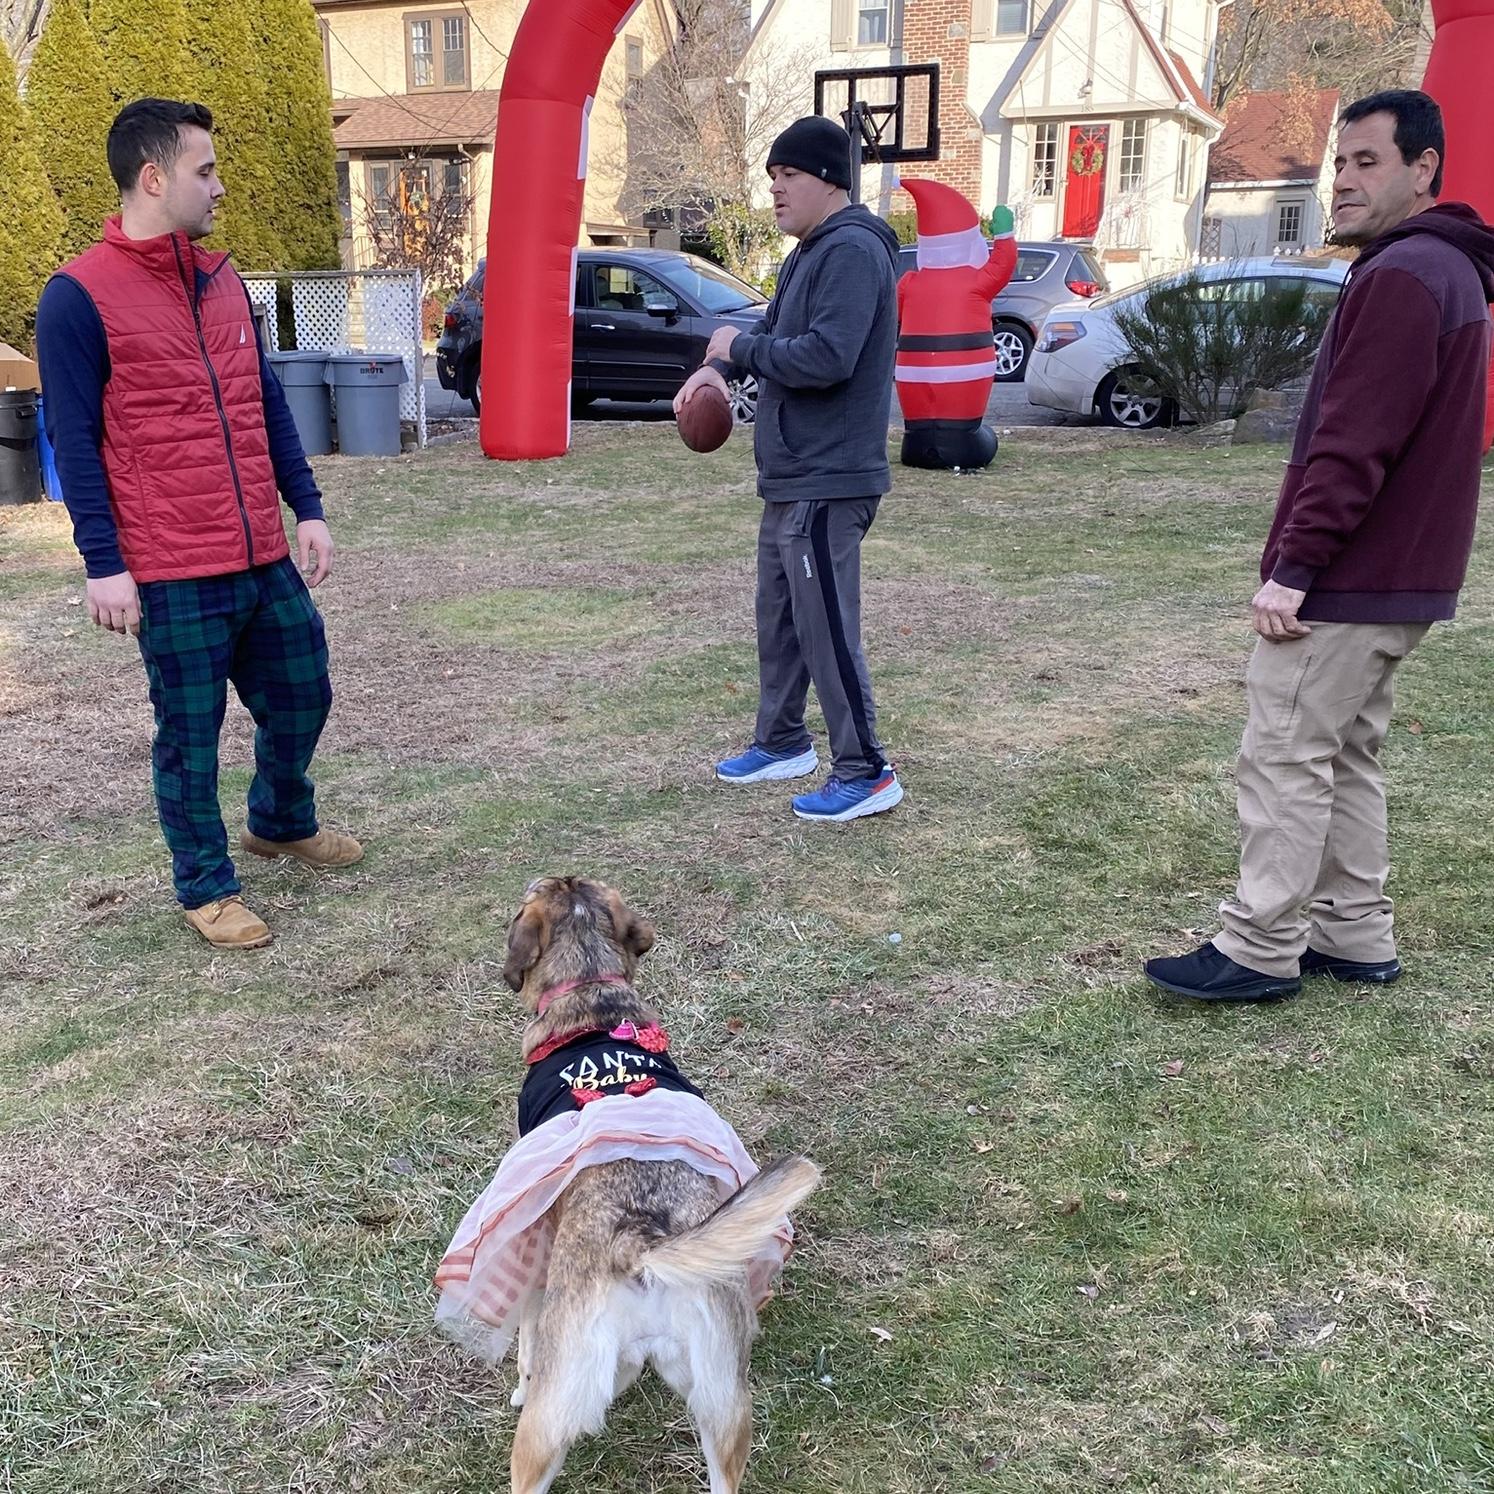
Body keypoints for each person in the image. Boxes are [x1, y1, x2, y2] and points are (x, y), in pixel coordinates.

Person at [1145, 90, 1494, 1003]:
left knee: (1287, 753)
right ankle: (1353, 931)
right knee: (1345, 754)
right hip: (1400, 581)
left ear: (1425, 169)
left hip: (1352, 576)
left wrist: (1294, 570)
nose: (1343, 180)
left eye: (1367, 162)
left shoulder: (1407, 275)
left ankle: (1260, 946)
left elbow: (1353, 441)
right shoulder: (1442, 272)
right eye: (1339, 163)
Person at [35, 99, 361, 951]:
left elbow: (265, 405)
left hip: (258, 548)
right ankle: (206, 884)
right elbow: (73, 440)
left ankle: (280, 821)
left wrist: (309, 509)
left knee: (303, 692)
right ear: (154, 178)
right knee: (191, 734)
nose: (219, 186)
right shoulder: (77, 298)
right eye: (205, 171)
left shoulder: (224, 283)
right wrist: (101, 562)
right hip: (170, 565)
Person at [675, 116, 904, 823]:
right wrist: (713, 367)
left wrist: (738, 352)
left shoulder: (853, 251)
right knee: (781, 619)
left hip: (831, 480)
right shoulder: (809, 252)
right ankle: (781, 741)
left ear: (830, 179)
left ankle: (865, 770)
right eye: (771, 176)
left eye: (789, 176)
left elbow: (826, 356)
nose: (774, 189)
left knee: (827, 625)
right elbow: (771, 335)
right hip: (791, 477)